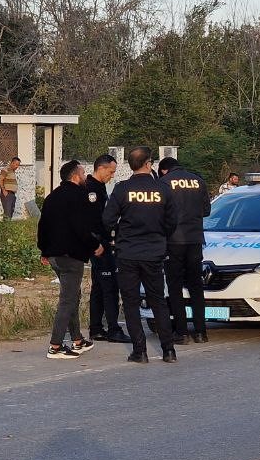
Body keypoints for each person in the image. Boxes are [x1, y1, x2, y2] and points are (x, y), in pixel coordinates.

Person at [102, 146, 177, 364]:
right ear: (148, 163)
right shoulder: (162, 189)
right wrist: (159, 237)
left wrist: (118, 234)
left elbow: (107, 220)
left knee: (131, 302)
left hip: (128, 253)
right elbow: (172, 222)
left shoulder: (122, 189)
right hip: (154, 253)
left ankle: (140, 351)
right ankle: (168, 351)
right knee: (158, 302)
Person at [37, 160, 103, 359]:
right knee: (68, 300)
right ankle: (55, 346)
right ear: (75, 176)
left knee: (72, 295)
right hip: (71, 257)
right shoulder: (79, 196)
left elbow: (43, 226)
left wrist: (44, 251)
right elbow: (81, 228)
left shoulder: (51, 197)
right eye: (83, 173)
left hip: (54, 256)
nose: (85, 176)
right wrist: (95, 245)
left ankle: (77, 340)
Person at [158, 156, 212, 343]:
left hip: (173, 241)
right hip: (195, 239)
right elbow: (206, 211)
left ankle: (181, 332)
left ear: (164, 170)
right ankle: (201, 332)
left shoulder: (163, 182)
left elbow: (159, 212)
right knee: (196, 286)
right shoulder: (198, 180)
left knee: (175, 287)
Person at [84, 154, 129, 344]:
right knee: (110, 287)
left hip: (101, 243)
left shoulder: (99, 187)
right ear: (101, 168)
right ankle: (113, 328)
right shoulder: (91, 189)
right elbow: (93, 221)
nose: (112, 176)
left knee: (98, 287)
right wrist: (101, 242)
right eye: (110, 172)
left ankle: (96, 328)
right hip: (99, 245)